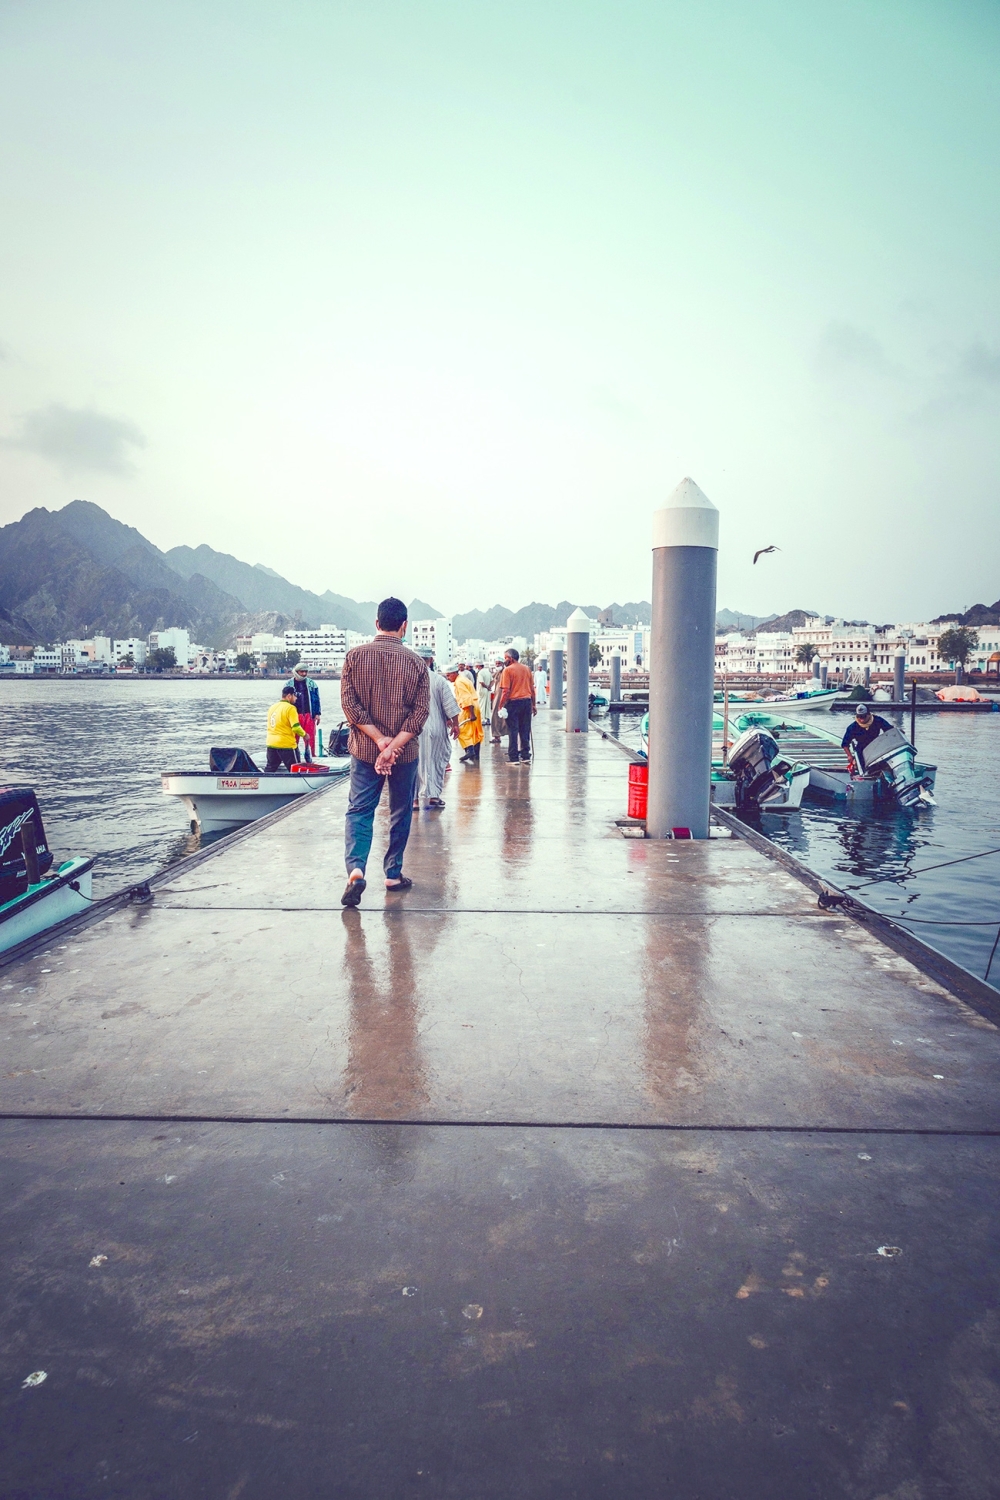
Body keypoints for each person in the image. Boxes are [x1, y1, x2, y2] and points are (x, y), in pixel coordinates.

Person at [339, 597, 430, 907]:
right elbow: (419, 715)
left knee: (360, 810)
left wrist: (379, 742)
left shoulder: (354, 657)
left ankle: (356, 871)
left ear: (376, 624)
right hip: (404, 754)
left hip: (365, 750)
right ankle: (392, 874)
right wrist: (393, 747)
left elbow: (350, 707)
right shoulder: (417, 664)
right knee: (400, 811)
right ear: (404, 626)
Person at [415, 648, 459, 809]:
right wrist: (455, 724)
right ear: (431, 660)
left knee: (414, 764)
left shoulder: (407, 679)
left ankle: (414, 800)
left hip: (412, 731)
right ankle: (434, 797)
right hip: (436, 728)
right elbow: (450, 706)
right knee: (436, 761)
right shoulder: (439, 680)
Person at [497, 647, 536, 762]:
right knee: (525, 729)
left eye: (505, 658)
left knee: (513, 730)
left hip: (513, 703)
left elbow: (505, 691)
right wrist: (533, 705)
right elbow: (532, 689)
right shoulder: (527, 669)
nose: (504, 660)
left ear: (510, 658)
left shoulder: (507, 670)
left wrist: (500, 705)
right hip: (527, 702)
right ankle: (525, 755)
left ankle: (513, 757)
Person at [446, 664, 484, 764]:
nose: (447, 678)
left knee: (460, 729)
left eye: (449, 675)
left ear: (454, 673)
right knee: (474, 731)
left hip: (468, 708)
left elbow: (466, 698)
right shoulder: (463, 679)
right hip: (474, 706)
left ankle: (470, 750)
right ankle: (475, 753)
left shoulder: (459, 682)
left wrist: (471, 713)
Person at [266, 685, 307, 771]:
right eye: (295, 696)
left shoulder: (272, 707)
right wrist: (304, 734)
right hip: (286, 745)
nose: (296, 698)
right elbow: (296, 728)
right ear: (289, 696)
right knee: (296, 770)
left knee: (270, 769)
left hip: (271, 743)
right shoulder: (291, 708)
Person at [841, 703, 892, 771]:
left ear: (868, 714)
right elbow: (845, 744)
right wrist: (849, 755)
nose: (862, 720)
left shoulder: (877, 720)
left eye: (864, 716)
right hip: (861, 750)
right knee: (864, 767)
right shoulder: (853, 727)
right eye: (859, 717)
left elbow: (889, 730)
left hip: (876, 746)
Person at [284, 664, 321, 755]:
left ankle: (312, 756)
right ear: (296, 672)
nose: (304, 674)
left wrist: (318, 714)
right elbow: (285, 700)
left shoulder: (312, 684)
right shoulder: (288, 684)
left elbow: (317, 699)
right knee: (293, 738)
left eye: (306, 671)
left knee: (311, 738)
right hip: (294, 715)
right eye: (302, 671)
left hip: (309, 715)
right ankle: (293, 755)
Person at [475, 662, 492, 729]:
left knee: (481, 705)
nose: (476, 667)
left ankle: (482, 720)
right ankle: (488, 719)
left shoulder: (480, 673)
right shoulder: (488, 672)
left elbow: (481, 682)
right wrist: (489, 687)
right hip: (488, 691)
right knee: (487, 705)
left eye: (476, 666)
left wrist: (486, 687)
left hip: (482, 690)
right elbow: (492, 681)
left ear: (479, 666)